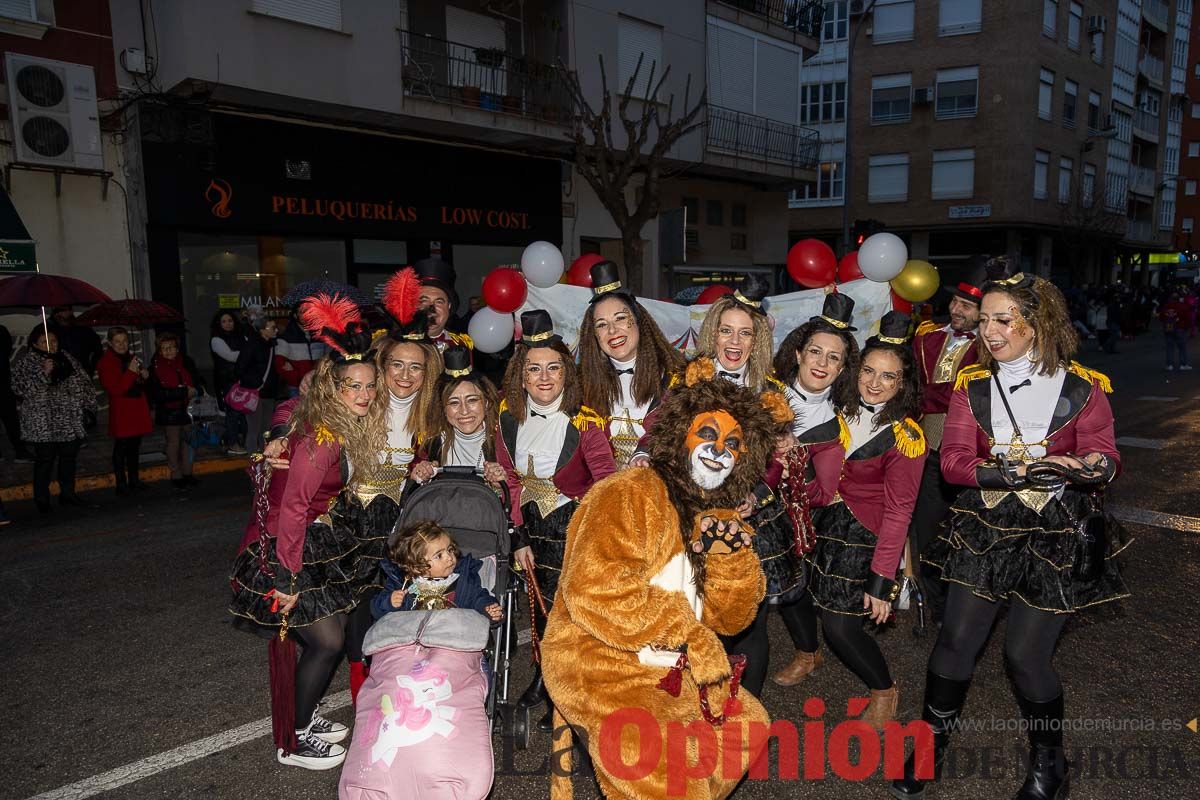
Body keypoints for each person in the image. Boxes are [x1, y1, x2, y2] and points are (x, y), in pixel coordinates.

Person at [892, 267, 1127, 800]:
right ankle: (930, 744)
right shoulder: (971, 387)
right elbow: (951, 464)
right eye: (985, 320)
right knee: (955, 642)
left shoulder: (1085, 387)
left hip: (1054, 535)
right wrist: (1013, 471)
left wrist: (1086, 464)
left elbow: (1106, 455)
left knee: (1024, 657)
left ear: (1038, 322)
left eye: (1004, 319)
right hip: (986, 529)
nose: (989, 331)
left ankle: (1051, 763)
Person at [541, 363, 792, 799]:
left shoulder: (719, 515)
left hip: (672, 666)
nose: (719, 450)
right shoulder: (628, 492)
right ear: (680, 434)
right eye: (708, 435)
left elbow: (731, 621)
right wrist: (689, 635)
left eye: (733, 445)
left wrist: (729, 559)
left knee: (748, 728)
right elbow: (593, 592)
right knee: (673, 781)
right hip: (601, 658)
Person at [228, 294, 387, 770]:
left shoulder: (335, 426)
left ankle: (303, 713)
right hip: (280, 543)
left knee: (331, 630)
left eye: (369, 386)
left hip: (303, 534)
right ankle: (293, 740)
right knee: (328, 641)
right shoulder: (323, 438)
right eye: (352, 386)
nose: (363, 395)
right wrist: (286, 580)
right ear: (330, 388)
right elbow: (294, 508)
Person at [790, 311, 927, 730]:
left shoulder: (907, 436)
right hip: (821, 524)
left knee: (841, 626)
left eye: (888, 377)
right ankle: (808, 653)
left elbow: (900, 510)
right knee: (799, 594)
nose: (874, 383)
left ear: (902, 383)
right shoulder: (837, 408)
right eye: (868, 370)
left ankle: (885, 689)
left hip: (863, 537)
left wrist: (882, 579)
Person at [497, 309, 617, 732]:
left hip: (574, 528)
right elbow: (510, 482)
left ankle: (570, 691)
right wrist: (518, 537)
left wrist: (596, 538)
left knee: (573, 616)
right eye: (534, 369)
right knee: (542, 614)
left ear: (567, 373)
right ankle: (548, 681)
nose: (544, 378)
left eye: (553, 368)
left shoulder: (586, 422)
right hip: (532, 529)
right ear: (522, 376)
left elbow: (606, 483)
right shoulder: (507, 419)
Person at [695, 276, 799, 697]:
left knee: (751, 621)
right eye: (726, 331)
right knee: (703, 615)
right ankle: (709, 705)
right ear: (713, 333)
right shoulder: (688, 381)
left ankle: (747, 716)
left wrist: (754, 497)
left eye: (745, 333)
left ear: (757, 341)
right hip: (698, 515)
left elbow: (776, 460)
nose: (734, 342)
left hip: (750, 518)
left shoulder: (770, 392)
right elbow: (661, 434)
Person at [768, 292, 861, 688]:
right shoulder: (765, 393)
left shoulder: (838, 424)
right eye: (815, 352)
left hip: (798, 522)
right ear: (799, 354)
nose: (822, 363)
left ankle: (808, 652)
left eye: (833, 357)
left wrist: (796, 463)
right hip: (747, 507)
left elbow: (823, 493)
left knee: (792, 592)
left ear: (843, 369)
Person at [908, 278, 982, 622]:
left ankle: (962, 604)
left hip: (970, 454)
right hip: (928, 450)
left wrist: (917, 396)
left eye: (966, 307)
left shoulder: (991, 348)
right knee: (924, 527)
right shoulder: (927, 336)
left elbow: (962, 394)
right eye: (954, 302)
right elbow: (913, 379)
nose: (955, 310)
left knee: (965, 533)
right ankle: (931, 602)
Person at [577, 260, 685, 468]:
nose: (612, 330)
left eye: (620, 318)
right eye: (601, 324)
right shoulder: (581, 387)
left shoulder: (676, 379)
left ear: (638, 321)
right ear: (594, 336)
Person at [11, 325, 98, 513]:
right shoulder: (27, 362)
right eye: (45, 341)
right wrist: (43, 373)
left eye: (54, 340)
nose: (51, 344)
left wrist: (88, 407)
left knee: (69, 458)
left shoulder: (67, 358)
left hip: (68, 418)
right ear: (35, 343)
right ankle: (42, 498)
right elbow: (19, 389)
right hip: (43, 421)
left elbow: (84, 381)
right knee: (45, 460)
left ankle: (68, 494)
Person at [409, 345, 506, 484]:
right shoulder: (430, 444)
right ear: (443, 409)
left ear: (486, 403)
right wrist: (419, 477)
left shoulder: (503, 442)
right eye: (454, 403)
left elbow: (515, 492)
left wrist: (501, 484)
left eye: (472, 400)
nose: (464, 411)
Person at [371, 520, 502, 621]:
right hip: (410, 641)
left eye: (450, 550)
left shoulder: (463, 581)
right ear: (417, 566)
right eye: (439, 555)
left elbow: (478, 597)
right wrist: (389, 602)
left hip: (451, 640)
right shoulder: (402, 583)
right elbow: (376, 610)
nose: (449, 558)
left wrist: (488, 607)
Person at [96, 327, 153, 494]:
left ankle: (134, 480)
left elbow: (138, 383)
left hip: (136, 407)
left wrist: (143, 375)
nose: (122, 345)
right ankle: (121, 484)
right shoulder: (105, 363)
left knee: (135, 447)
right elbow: (116, 389)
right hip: (122, 410)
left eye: (125, 341)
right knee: (121, 448)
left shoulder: (131, 358)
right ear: (110, 343)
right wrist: (131, 372)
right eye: (117, 342)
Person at [147, 333, 203, 488]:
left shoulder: (187, 363)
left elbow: (198, 382)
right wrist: (183, 392)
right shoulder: (155, 368)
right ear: (159, 351)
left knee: (189, 443)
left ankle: (188, 473)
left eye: (171, 347)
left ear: (177, 349)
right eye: (164, 348)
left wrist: (195, 390)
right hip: (169, 412)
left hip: (189, 409)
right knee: (173, 444)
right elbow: (157, 394)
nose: (168, 351)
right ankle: (176, 475)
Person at [234, 312, 279, 453]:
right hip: (255, 392)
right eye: (272, 327)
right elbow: (240, 368)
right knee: (254, 427)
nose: (276, 330)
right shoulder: (252, 345)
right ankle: (253, 458)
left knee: (266, 428)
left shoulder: (272, 345)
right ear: (262, 330)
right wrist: (256, 383)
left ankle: (264, 456)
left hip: (269, 391)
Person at [413, 257, 473, 350]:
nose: (431, 308)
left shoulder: (460, 344)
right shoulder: (397, 342)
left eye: (439, 302)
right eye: (424, 301)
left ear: (449, 307)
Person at [211, 310, 248, 454]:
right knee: (233, 413)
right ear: (218, 324)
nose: (227, 324)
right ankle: (232, 443)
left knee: (245, 414)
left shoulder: (241, 336)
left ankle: (236, 441)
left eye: (230, 321)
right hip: (227, 381)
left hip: (243, 380)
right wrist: (248, 352)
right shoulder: (216, 340)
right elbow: (229, 356)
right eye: (224, 321)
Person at [275, 311, 330, 398]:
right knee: (298, 411)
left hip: (319, 385)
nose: (305, 315)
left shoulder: (320, 335)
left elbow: (329, 358)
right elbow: (279, 364)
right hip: (297, 387)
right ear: (295, 314)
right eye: (301, 312)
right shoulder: (286, 336)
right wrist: (297, 378)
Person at [0, 323, 33, 464]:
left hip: (3, 385)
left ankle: (21, 451)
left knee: (11, 421)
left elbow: (5, 351)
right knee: (11, 420)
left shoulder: (1, 331)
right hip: (3, 384)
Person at [50, 305, 102, 376]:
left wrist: (91, 367)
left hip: (83, 373)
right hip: (57, 374)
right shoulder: (46, 330)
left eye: (68, 309)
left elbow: (98, 350)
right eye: (62, 310)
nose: (67, 312)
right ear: (55, 313)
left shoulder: (84, 329)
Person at [1159, 290, 1193, 371]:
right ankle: (1183, 364)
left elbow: (1161, 317)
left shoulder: (1166, 306)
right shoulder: (1183, 306)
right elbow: (1188, 318)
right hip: (1180, 328)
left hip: (1169, 328)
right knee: (1182, 347)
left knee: (1170, 347)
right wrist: (1187, 327)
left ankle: (1169, 365)